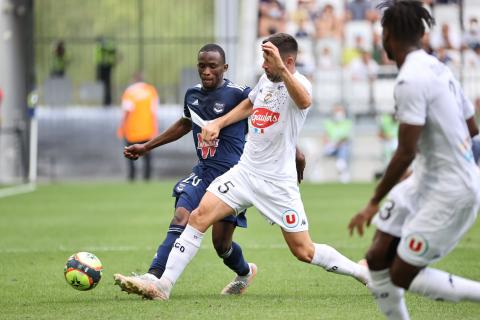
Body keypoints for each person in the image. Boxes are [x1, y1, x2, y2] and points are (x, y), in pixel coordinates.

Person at [132, 33, 369, 301]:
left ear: (287, 61)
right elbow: (249, 103)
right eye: (264, 59)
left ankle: (362, 273)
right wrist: (218, 123)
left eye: (269, 60)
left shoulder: (300, 83)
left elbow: (304, 101)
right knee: (198, 217)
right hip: (245, 172)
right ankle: (164, 285)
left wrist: (281, 69)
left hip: (277, 182)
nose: (264, 65)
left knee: (304, 251)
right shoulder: (265, 81)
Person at [113, 44, 305, 297]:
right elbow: (184, 124)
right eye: (201, 66)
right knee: (181, 216)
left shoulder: (239, 94)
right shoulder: (192, 95)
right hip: (203, 172)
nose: (206, 71)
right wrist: (147, 147)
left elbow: (268, 121)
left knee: (221, 245)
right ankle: (153, 277)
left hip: (234, 177)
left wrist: (296, 152)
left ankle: (245, 272)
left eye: (212, 66)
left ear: (224, 68)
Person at [348, 2, 480, 319]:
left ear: (387, 35)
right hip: (424, 180)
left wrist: (372, 202)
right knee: (377, 256)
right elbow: (472, 128)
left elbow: (405, 150)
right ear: (422, 33)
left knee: (400, 274)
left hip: (449, 191)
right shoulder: (439, 68)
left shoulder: (410, 80)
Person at [117, 78, 159, 181]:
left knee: (130, 155)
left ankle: (132, 177)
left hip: (132, 131)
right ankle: (147, 177)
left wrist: (122, 127)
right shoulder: (151, 91)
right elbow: (154, 112)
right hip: (147, 130)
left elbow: (127, 111)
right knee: (147, 156)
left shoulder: (129, 92)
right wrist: (155, 129)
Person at [323, 105, 353, 183]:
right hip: (330, 148)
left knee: (343, 148)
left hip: (341, 147)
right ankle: (342, 167)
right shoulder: (328, 123)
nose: (338, 114)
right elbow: (325, 138)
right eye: (337, 111)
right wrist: (331, 144)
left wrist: (337, 143)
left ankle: (341, 166)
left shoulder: (347, 123)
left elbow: (346, 138)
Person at [95, 37, 118, 106]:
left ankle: (108, 101)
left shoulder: (106, 46)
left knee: (107, 84)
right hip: (102, 66)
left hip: (107, 67)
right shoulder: (100, 47)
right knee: (103, 84)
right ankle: (105, 101)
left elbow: (112, 51)